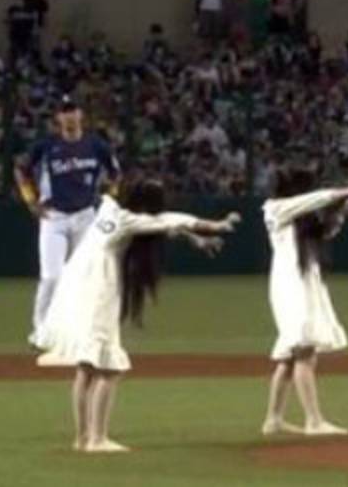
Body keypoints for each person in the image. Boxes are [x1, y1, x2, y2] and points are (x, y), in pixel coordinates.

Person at [34, 177, 240, 452]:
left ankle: (82, 437)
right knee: (110, 368)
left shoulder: (109, 207)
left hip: (76, 286)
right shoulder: (132, 220)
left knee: (85, 368)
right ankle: (98, 439)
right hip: (99, 290)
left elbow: (162, 224)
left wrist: (197, 240)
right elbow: (170, 220)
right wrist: (216, 226)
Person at [260, 168, 348, 436]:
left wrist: (341, 209)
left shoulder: (292, 213)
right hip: (293, 283)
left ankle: (273, 419)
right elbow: (316, 199)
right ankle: (313, 420)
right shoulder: (276, 208)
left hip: (301, 280)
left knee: (289, 355)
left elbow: (323, 231)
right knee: (305, 351)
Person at [17, 96, 121, 348]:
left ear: (81, 114)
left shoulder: (96, 145)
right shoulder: (47, 146)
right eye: (65, 112)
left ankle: (82, 331)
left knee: (86, 277)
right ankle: (40, 332)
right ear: (58, 118)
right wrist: (31, 200)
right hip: (54, 217)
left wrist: (109, 198)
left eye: (73, 110)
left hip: (85, 217)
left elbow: (116, 173)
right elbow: (21, 169)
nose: (69, 116)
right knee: (52, 277)